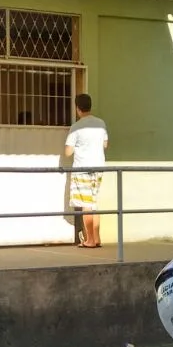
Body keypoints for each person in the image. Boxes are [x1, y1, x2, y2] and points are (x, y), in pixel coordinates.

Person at [65, 93, 108, 248]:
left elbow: (68, 152)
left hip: (83, 169)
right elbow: (105, 145)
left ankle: (89, 240)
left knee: (85, 205)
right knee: (93, 202)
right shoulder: (100, 123)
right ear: (90, 106)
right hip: (99, 167)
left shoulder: (76, 127)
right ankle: (96, 238)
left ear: (77, 108)